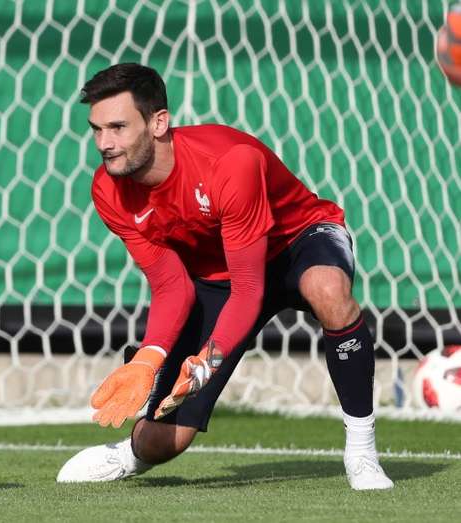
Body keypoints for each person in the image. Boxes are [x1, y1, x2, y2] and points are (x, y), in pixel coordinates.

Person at [56, 63, 393, 490]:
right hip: (218, 275)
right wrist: (148, 358)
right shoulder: (108, 190)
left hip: (296, 242)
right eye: (97, 130)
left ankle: (362, 451)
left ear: (159, 122)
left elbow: (251, 288)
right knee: (164, 441)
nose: (105, 143)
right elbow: (171, 286)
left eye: (118, 127)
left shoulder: (230, 164)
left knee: (326, 288)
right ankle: (128, 453)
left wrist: (207, 362)